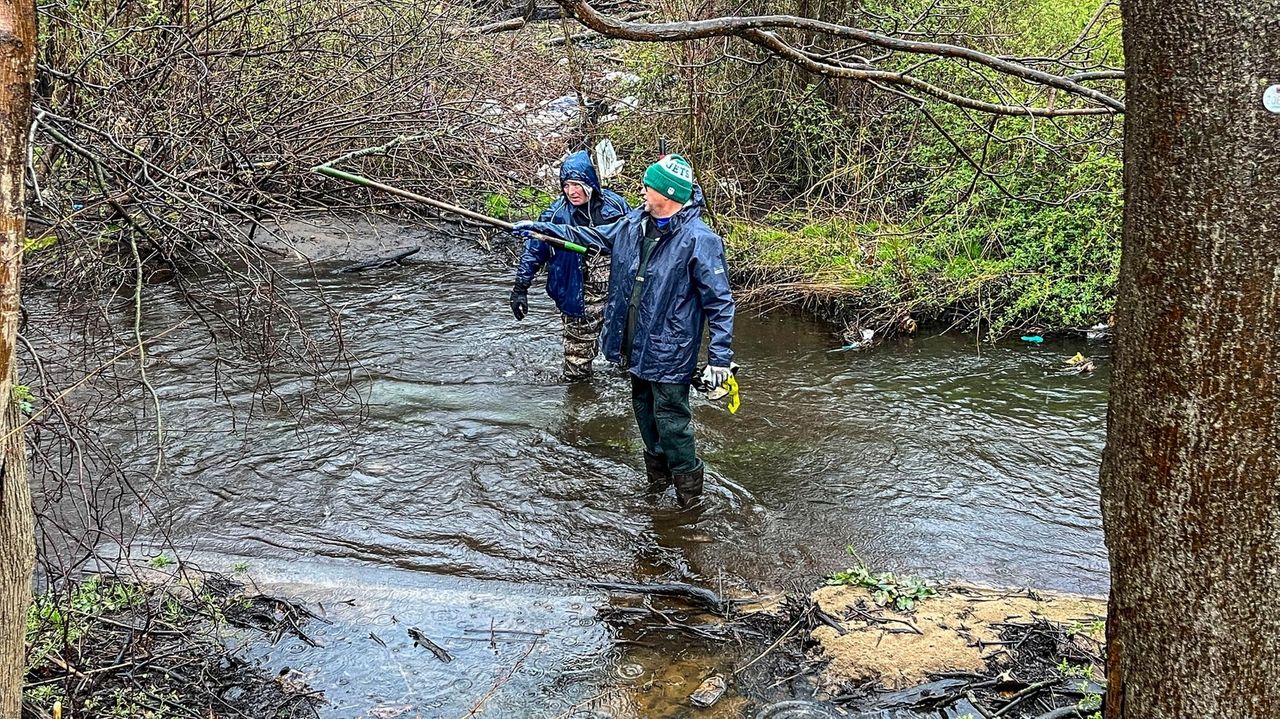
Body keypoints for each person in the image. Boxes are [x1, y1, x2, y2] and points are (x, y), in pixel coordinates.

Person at [513, 154, 735, 508]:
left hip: (670, 350)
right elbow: (592, 236)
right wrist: (544, 231)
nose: (642, 190)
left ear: (667, 193)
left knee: (672, 423)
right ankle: (658, 488)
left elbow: (720, 303)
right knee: (645, 416)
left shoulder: (699, 240)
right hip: (634, 346)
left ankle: (690, 501)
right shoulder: (634, 223)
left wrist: (720, 358)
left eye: (649, 186)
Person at [510, 150, 630, 381]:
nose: (571, 192)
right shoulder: (554, 216)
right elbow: (533, 253)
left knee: (627, 355)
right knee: (577, 365)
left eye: (577, 185)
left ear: (591, 183)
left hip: (618, 294)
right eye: (566, 185)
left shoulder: (616, 207)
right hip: (578, 296)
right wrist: (520, 288)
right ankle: (579, 399)